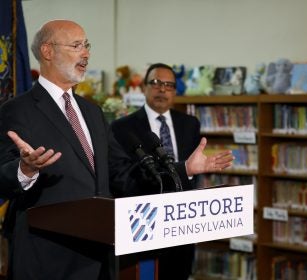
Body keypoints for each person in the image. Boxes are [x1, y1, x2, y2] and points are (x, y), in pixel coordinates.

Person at [0, 20, 233, 280]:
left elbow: (122, 175)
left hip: (100, 257)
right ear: (47, 51)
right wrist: (25, 169)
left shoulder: (92, 112)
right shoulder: (17, 111)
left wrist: (184, 168)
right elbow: (2, 178)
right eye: (76, 45)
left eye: (87, 45)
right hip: (48, 259)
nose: (86, 53)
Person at [110, 63, 198, 280]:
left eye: (169, 85)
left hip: (183, 222)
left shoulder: (189, 124)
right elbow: (121, 178)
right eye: (156, 83)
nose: (162, 89)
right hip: (144, 223)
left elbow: (194, 173)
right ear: (144, 88)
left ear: (175, 92)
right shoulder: (122, 127)